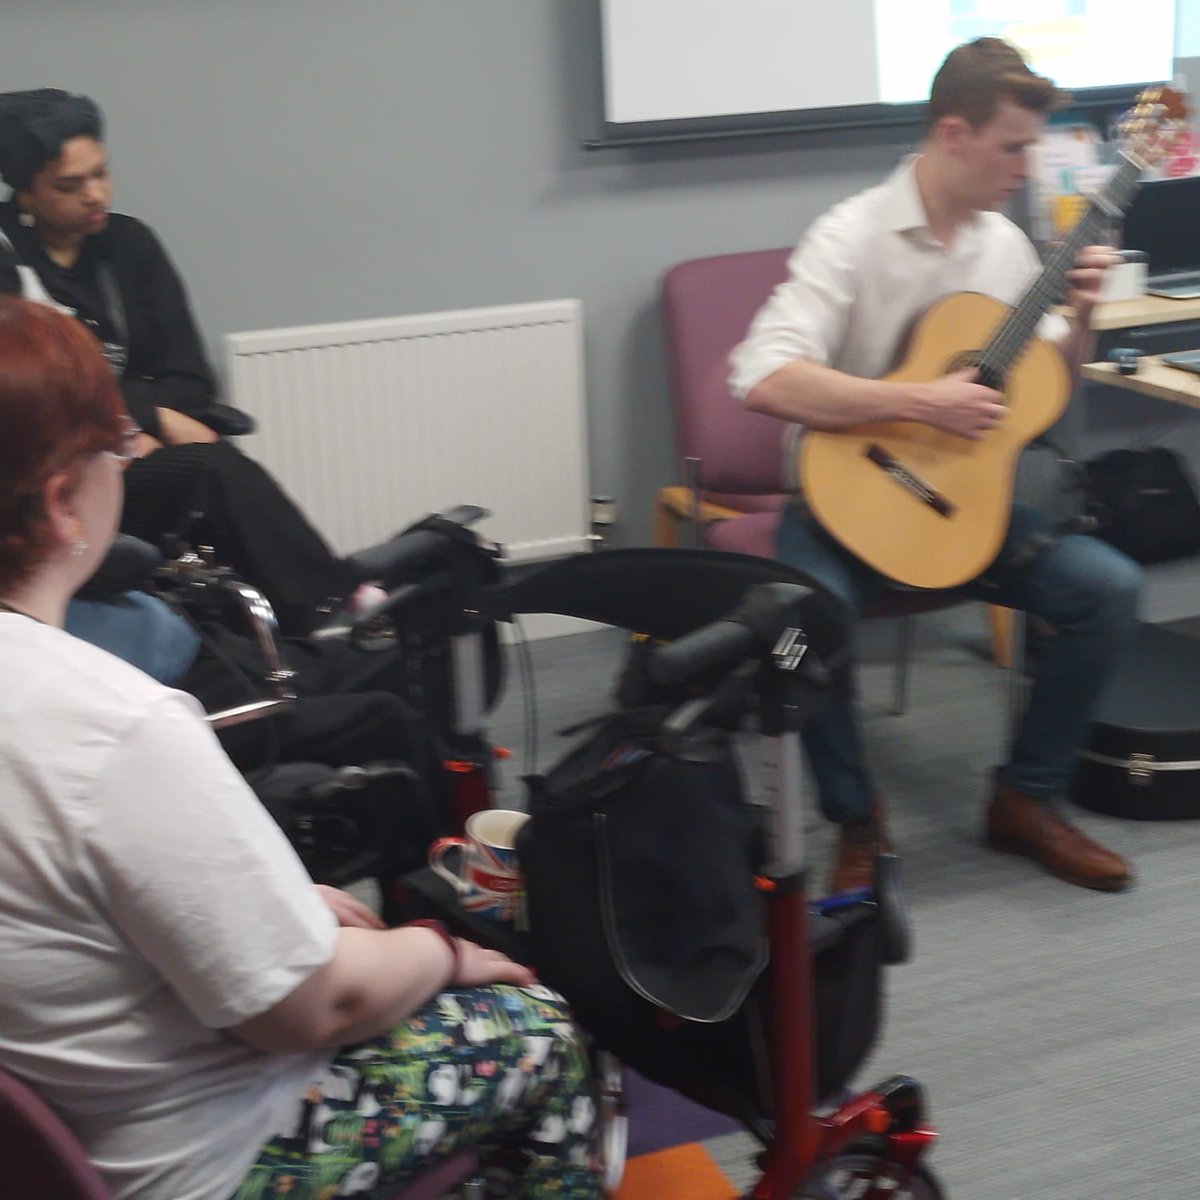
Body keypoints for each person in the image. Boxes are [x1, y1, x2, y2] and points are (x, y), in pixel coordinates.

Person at [0, 294, 602, 1200]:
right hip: (192, 1158)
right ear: (59, 506)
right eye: (117, 447)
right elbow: (319, 1008)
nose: (125, 464)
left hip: (47, 1137)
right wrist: (440, 950)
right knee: (542, 1029)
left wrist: (274, 901)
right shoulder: (117, 729)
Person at [729, 38, 1143, 895]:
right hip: (843, 505)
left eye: (1034, 147)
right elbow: (761, 377)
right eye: (1013, 148)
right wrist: (922, 402)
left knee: (1107, 587)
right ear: (954, 133)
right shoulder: (849, 236)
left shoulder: (1005, 250)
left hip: (960, 512)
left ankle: (1025, 801)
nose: (1028, 170)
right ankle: (855, 821)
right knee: (811, 625)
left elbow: (1041, 397)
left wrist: (1085, 319)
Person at [0, 87, 397, 636]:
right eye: (70, 185)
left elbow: (190, 378)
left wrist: (142, 418)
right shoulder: (5, 264)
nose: (97, 195)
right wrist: (147, 417)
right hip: (59, 478)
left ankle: (310, 616)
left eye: (102, 173)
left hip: (140, 457)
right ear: (24, 191)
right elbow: (24, 401)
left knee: (210, 467)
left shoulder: (130, 244)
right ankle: (328, 604)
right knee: (211, 468)